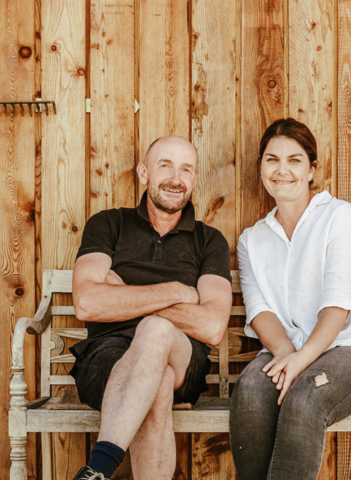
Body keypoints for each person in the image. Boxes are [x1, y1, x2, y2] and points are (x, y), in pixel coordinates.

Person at [229, 118, 351, 480]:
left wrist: (301, 361)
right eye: (272, 160)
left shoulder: (338, 217)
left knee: (305, 399)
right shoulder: (252, 240)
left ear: (311, 170)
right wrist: (286, 354)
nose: (282, 170)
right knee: (251, 391)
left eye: (295, 160)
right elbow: (260, 311)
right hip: (289, 350)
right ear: (261, 168)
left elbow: (338, 305)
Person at [69, 135, 232, 480]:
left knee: (156, 329)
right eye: (165, 166)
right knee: (157, 382)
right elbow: (86, 302)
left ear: (194, 179)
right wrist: (175, 292)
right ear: (144, 173)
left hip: (182, 356)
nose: (176, 178)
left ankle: (98, 468)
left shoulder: (210, 240)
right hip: (106, 358)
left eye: (186, 169)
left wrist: (122, 294)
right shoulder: (108, 224)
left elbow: (212, 326)